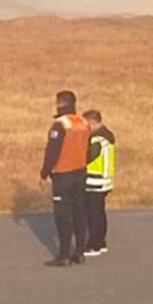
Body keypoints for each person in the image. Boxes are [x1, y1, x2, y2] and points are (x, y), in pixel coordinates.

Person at [39, 90, 92, 267]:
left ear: (60, 104)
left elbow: (52, 152)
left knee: (63, 215)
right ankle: (79, 252)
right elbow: (90, 149)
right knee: (79, 212)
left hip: (63, 174)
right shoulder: (84, 123)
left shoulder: (60, 125)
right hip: (80, 172)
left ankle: (64, 255)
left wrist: (44, 173)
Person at [82, 109, 116, 257]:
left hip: (95, 181)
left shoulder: (97, 141)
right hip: (104, 181)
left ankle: (94, 244)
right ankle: (101, 242)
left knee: (93, 215)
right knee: (99, 214)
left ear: (92, 123)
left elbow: (87, 157)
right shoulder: (107, 137)